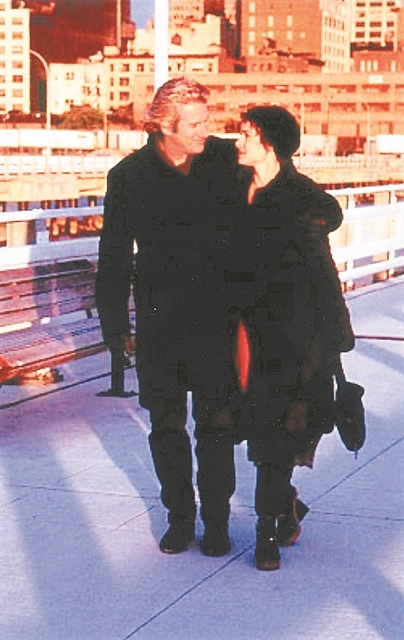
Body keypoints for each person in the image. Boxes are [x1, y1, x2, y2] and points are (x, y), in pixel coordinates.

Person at [96, 77, 240, 558]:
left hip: (218, 318)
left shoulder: (225, 161)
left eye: (206, 120)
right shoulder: (128, 177)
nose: (206, 130)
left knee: (217, 425)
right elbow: (114, 256)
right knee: (166, 426)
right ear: (164, 126)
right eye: (195, 124)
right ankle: (180, 517)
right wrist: (116, 326)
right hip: (159, 321)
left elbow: (272, 196)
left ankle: (217, 521)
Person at [227, 106, 354, 571]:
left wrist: (337, 338)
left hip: (292, 339)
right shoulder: (233, 188)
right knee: (256, 432)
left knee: (274, 437)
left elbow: (323, 271)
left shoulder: (300, 200)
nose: (238, 141)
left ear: (270, 144)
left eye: (247, 134)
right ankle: (286, 506)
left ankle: (266, 532)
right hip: (243, 334)